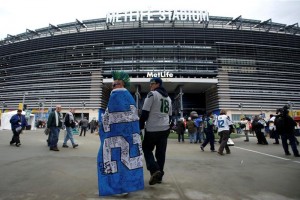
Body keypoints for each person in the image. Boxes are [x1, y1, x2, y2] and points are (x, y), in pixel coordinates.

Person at [97, 71, 144, 196]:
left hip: (114, 139)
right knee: (127, 162)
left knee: (111, 160)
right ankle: (127, 186)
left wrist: (103, 132)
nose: (112, 87)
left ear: (118, 84)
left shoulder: (116, 95)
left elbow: (107, 120)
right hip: (129, 138)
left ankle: (117, 188)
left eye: (113, 85)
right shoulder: (130, 97)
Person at [139, 77, 172, 185]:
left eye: (152, 83)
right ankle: (159, 176)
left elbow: (144, 112)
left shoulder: (152, 94)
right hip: (165, 128)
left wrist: (140, 126)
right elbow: (170, 115)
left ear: (158, 84)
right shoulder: (169, 98)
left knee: (146, 148)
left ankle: (154, 170)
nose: (150, 86)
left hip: (153, 128)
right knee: (161, 153)